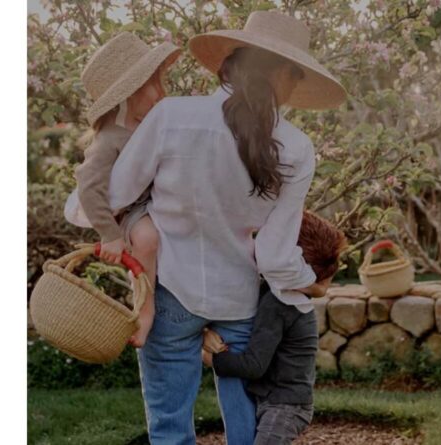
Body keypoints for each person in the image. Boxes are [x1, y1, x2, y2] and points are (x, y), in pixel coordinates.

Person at [107, 11, 346, 444]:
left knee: (168, 430)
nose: (296, 89)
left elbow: (117, 194)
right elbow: (274, 255)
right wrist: (311, 282)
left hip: (170, 295)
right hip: (240, 303)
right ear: (281, 73)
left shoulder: (170, 117)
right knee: (250, 435)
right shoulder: (295, 147)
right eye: (297, 76)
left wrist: (147, 232)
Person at [63, 32, 180, 347]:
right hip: (131, 210)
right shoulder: (110, 139)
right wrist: (110, 235)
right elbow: (89, 186)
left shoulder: (151, 125)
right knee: (146, 239)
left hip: (160, 201)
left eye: (160, 83)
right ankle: (143, 313)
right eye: (151, 86)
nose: (160, 94)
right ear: (127, 95)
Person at [202, 211, 347, 444]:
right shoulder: (290, 293)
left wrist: (207, 356)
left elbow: (253, 366)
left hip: (285, 407)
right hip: (284, 401)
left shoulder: (278, 303)